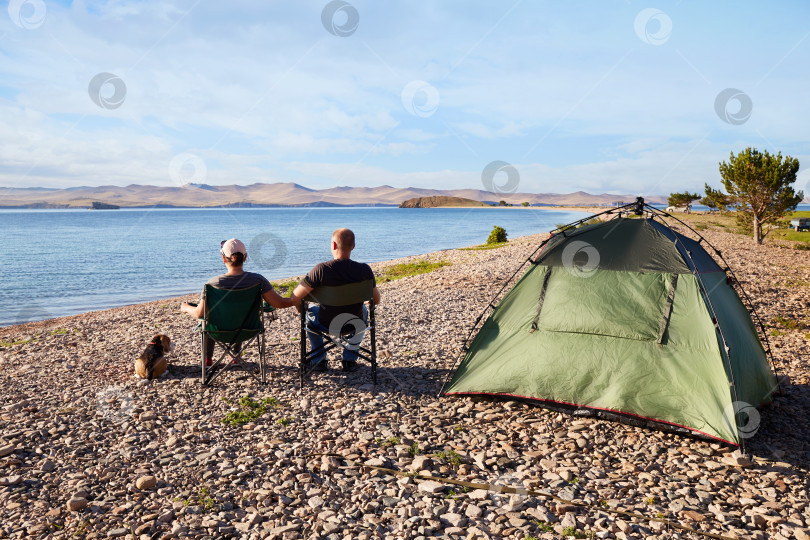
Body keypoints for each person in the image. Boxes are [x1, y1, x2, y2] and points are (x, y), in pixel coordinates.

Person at [180, 238, 295, 365]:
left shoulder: (212, 284)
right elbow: (278, 303)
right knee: (240, 313)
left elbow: (199, 314)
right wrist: (297, 300)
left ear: (224, 259)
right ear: (245, 258)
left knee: (210, 315)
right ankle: (235, 356)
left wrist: (185, 307)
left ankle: (207, 358)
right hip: (248, 330)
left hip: (217, 332)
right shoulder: (258, 280)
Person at [291, 228, 381, 372]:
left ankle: (318, 359)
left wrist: (301, 307)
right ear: (353, 246)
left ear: (333, 245)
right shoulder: (365, 270)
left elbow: (295, 296)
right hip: (353, 322)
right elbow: (375, 300)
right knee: (364, 310)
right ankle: (349, 360)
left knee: (309, 314)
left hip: (326, 323)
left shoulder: (320, 270)